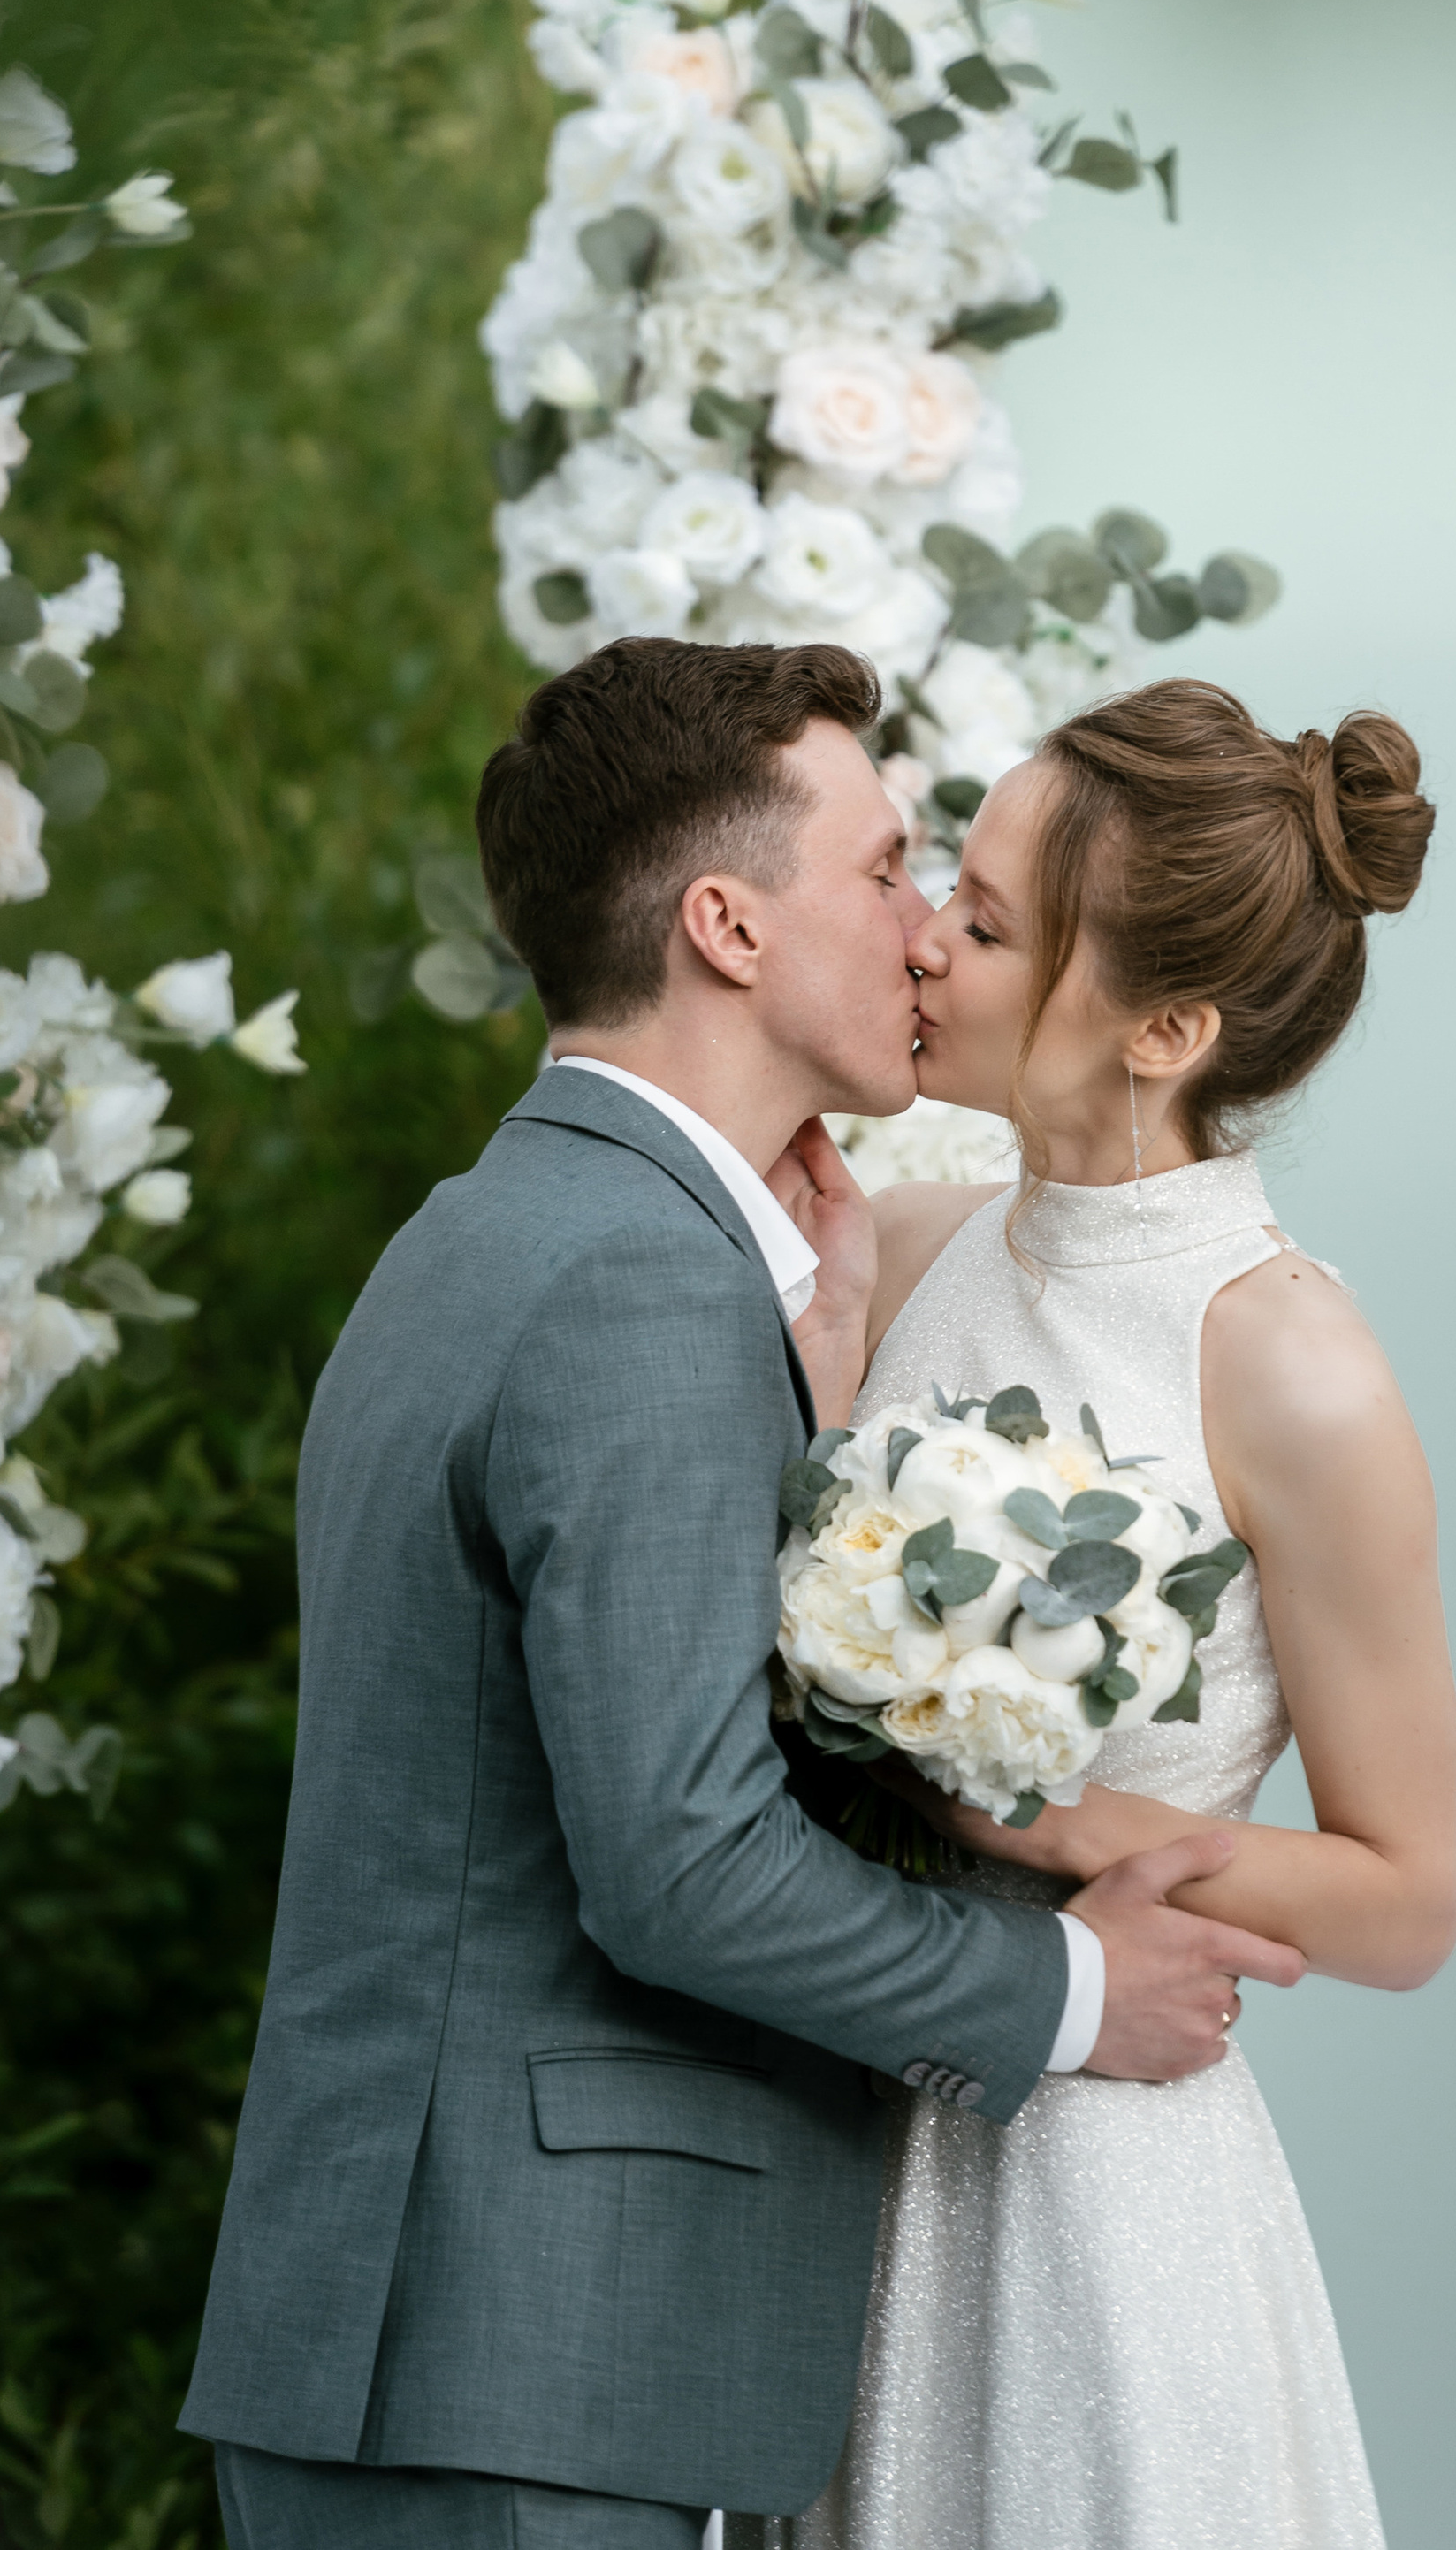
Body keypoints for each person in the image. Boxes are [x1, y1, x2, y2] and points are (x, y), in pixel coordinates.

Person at [179, 638, 1300, 2549]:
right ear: (726, 923)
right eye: (878, 868)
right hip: (516, 2350)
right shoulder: (635, 1279)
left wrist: (824, 1370)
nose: (922, 921)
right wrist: (1074, 1987)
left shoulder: (501, 1230)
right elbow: (679, 1860)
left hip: (442, 2339)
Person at [732, 679, 1456, 2550]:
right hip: (845, 2121)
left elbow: (1406, 1896)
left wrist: (1076, 1828)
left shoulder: (1291, 1360)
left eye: (984, 926)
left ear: (1166, 1025)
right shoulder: (900, 1241)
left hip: (1106, 2176)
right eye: (943, 892)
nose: (926, 941)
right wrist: (819, 1367)